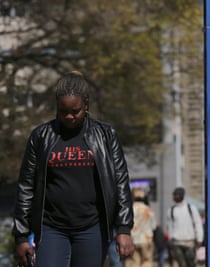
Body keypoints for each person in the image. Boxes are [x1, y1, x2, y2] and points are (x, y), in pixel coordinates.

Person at [12, 71, 135, 267]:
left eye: (75, 111)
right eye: (63, 111)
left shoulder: (106, 135)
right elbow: (26, 187)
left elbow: (120, 183)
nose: (69, 116)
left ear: (86, 105)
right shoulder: (41, 137)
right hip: (51, 228)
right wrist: (21, 236)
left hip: (92, 228)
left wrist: (123, 228)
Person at [167, 187, 204, 267]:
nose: (174, 197)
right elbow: (170, 226)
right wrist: (170, 239)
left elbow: (198, 224)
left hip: (189, 243)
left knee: (191, 264)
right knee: (182, 264)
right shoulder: (171, 210)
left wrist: (200, 239)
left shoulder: (191, 208)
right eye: (174, 195)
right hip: (177, 242)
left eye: (176, 195)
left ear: (181, 196)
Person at [125, 188, 157, 267]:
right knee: (147, 262)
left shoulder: (129, 210)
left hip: (133, 240)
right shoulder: (148, 209)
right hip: (146, 240)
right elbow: (154, 226)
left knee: (134, 262)